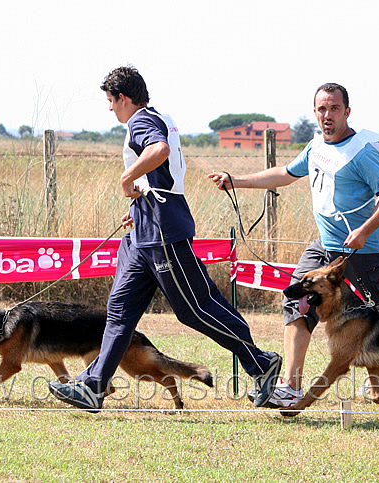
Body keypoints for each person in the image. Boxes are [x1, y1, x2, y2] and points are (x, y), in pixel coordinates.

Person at [49, 66, 281, 411]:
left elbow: (159, 151)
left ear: (123, 98)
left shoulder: (141, 122)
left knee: (196, 310)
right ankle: (93, 387)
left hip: (162, 232)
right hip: (143, 232)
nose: (110, 109)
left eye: (111, 101)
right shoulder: (157, 116)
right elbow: (161, 174)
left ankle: (261, 363)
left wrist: (127, 179)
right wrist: (138, 202)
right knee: (119, 312)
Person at [209, 83, 379, 409]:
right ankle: (290, 386)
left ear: (347, 112)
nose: (327, 115)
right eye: (322, 109)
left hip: (363, 251)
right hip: (325, 247)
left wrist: (363, 231)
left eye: (334, 108)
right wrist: (236, 181)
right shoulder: (317, 145)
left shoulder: (361, 154)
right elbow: (285, 173)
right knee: (295, 297)